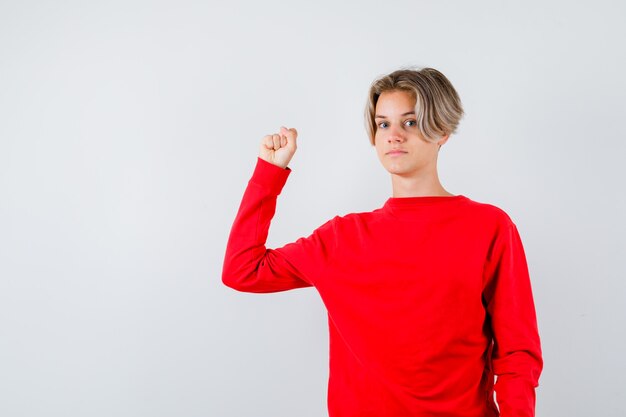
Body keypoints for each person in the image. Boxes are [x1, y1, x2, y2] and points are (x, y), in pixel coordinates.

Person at [221, 67, 543, 417]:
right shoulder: (341, 238)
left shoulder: (489, 227)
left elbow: (516, 352)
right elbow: (242, 269)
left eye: (410, 122)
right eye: (383, 124)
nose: (394, 136)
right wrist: (268, 173)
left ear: (443, 131)